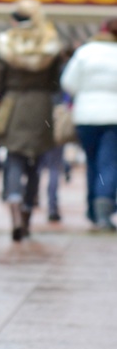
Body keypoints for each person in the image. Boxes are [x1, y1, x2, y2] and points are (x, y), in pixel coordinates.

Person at [0, 0, 61, 241]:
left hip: (14, 105)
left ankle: (14, 201)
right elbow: (56, 82)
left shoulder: (6, 44)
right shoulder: (49, 44)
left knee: (14, 157)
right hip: (41, 107)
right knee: (35, 162)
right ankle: (28, 210)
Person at [61, 20, 117, 231]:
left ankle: (93, 209)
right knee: (109, 163)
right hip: (114, 117)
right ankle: (103, 208)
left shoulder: (86, 52)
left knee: (92, 162)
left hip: (85, 116)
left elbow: (68, 82)